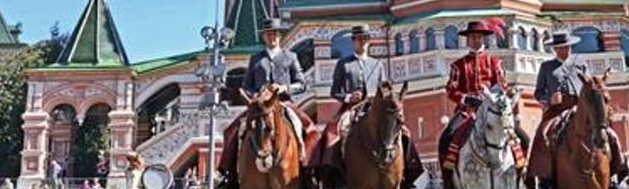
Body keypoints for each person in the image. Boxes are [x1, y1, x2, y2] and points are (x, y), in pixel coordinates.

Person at [316, 25, 423, 188]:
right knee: (333, 131)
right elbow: (334, 91)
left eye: (365, 38)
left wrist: (378, 97)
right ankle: (331, 173)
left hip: (376, 107)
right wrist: (348, 97)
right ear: (353, 41)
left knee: (404, 132)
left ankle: (408, 174)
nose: (362, 42)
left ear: (369, 42)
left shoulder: (377, 64)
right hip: (352, 107)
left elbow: (386, 89)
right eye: (359, 38)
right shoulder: (343, 64)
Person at [218, 18, 318, 189]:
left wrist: (284, 87)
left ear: (280, 36)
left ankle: (307, 171)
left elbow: (302, 83)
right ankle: (230, 175)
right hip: (259, 106)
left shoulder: (291, 56)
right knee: (234, 130)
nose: (272, 36)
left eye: (275, 33)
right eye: (269, 34)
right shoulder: (255, 58)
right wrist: (256, 94)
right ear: (264, 37)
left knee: (307, 128)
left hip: (283, 103)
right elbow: (246, 86)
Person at [438, 20, 529, 189]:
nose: (475, 40)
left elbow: (502, 85)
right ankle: (448, 181)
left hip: (492, 109)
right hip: (468, 112)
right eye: (472, 37)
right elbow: (451, 89)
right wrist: (466, 98)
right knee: (446, 137)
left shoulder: (494, 62)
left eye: (478, 37)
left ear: (483, 39)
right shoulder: (458, 65)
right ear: (467, 40)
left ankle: (522, 176)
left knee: (522, 137)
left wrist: (502, 95)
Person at [526, 31, 583, 189]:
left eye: (568, 46)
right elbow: (538, 93)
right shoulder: (546, 67)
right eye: (562, 47)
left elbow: (589, 86)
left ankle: (616, 172)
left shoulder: (580, 64)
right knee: (542, 134)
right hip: (556, 109)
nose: (566, 50)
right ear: (555, 49)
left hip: (579, 107)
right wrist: (549, 99)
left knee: (605, 132)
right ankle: (544, 175)